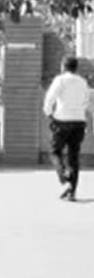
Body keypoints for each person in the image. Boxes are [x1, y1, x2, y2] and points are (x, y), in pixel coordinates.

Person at [44, 55, 91, 201]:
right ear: (76, 68)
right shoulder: (83, 82)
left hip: (62, 120)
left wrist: (49, 114)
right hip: (79, 121)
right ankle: (72, 191)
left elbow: (50, 98)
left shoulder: (60, 80)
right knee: (74, 156)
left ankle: (63, 174)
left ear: (63, 67)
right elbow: (86, 102)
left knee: (55, 151)